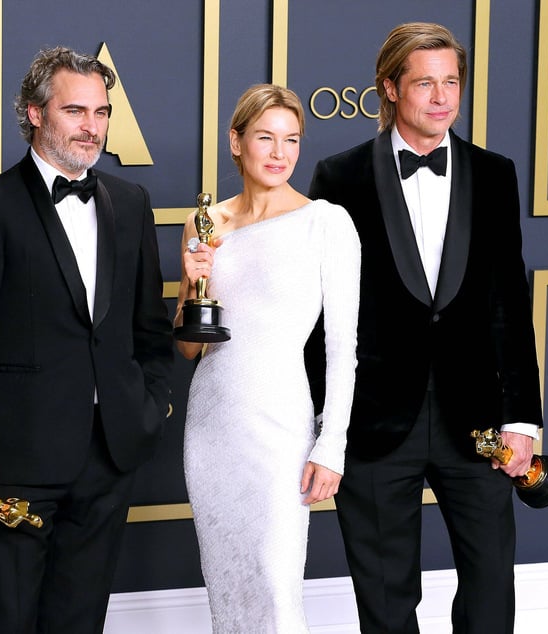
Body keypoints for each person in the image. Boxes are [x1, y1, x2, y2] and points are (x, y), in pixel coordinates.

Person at [305, 23, 543, 634]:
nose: (442, 97)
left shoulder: (496, 173)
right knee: (385, 598)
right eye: (425, 83)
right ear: (389, 88)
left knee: (492, 583)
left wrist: (522, 420)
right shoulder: (339, 177)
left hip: (480, 418)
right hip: (377, 419)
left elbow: (510, 304)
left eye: (452, 82)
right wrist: (327, 425)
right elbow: (320, 314)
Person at [0, 46, 174, 633]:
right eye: (75, 111)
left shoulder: (132, 203)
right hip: (14, 463)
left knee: (80, 620)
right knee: (5, 620)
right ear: (36, 114)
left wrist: (150, 403)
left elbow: (148, 324)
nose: (92, 127)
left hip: (108, 453)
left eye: (101, 112)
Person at [177, 84, 361, 632]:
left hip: (281, 428)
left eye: (291, 140)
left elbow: (343, 345)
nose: (280, 153)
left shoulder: (326, 222)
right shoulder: (203, 224)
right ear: (236, 142)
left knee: (277, 588)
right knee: (228, 593)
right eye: (265, 137)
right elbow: (189, 347)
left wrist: (332, 444)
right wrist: (191, 284)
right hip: (212, 427)